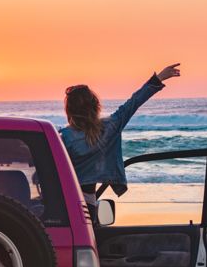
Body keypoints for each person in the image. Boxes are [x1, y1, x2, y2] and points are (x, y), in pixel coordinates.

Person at [60, 63, 181, 202]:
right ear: (95, 106)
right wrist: (159, 78)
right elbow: (134, 102)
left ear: (69, 110)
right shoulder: (110, 127)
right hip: (87, 202)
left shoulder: (63, 137)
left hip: (64, 202)